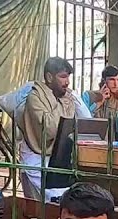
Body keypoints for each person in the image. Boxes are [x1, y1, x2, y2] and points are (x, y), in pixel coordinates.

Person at [20, 57, 79, 199]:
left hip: (58, 158)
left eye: (68, 77)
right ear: (49, 77)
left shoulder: (66, 97)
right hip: (36, 158)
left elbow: (68, 127)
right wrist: (59, 101)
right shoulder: (35, 98)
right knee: (41, 207)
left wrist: (63, 100)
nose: (67, 82)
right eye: (63, 77)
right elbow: (52, 130)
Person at [84, 65, 118, 137]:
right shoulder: (89, 95)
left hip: (110, 144)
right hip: (90, 141)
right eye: (112, 80)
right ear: (104, 81)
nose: (116, 84)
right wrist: (98, 103)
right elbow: (84, 120)